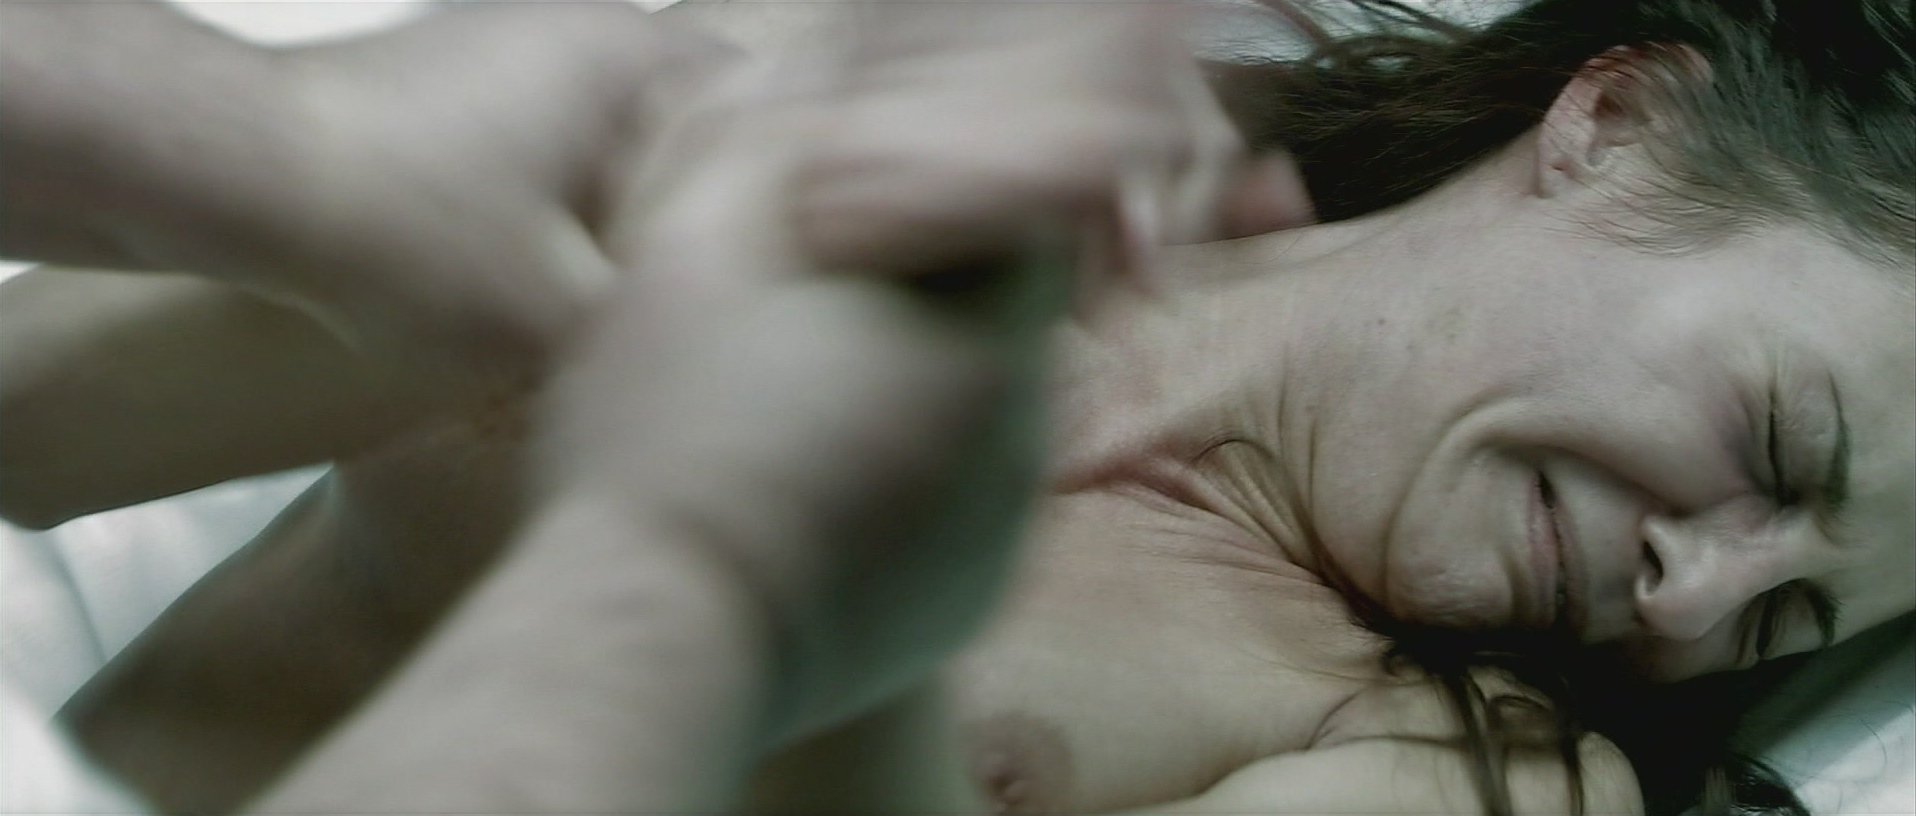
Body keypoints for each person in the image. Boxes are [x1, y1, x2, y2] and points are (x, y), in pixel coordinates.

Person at [5, 0, 1912, 815]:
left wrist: (796, 628)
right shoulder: (886, 131)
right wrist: (295, 170)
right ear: (1618, 120)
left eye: (1785, 622)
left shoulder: (1435, 776)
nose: (1689, 601)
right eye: (1775, 450)